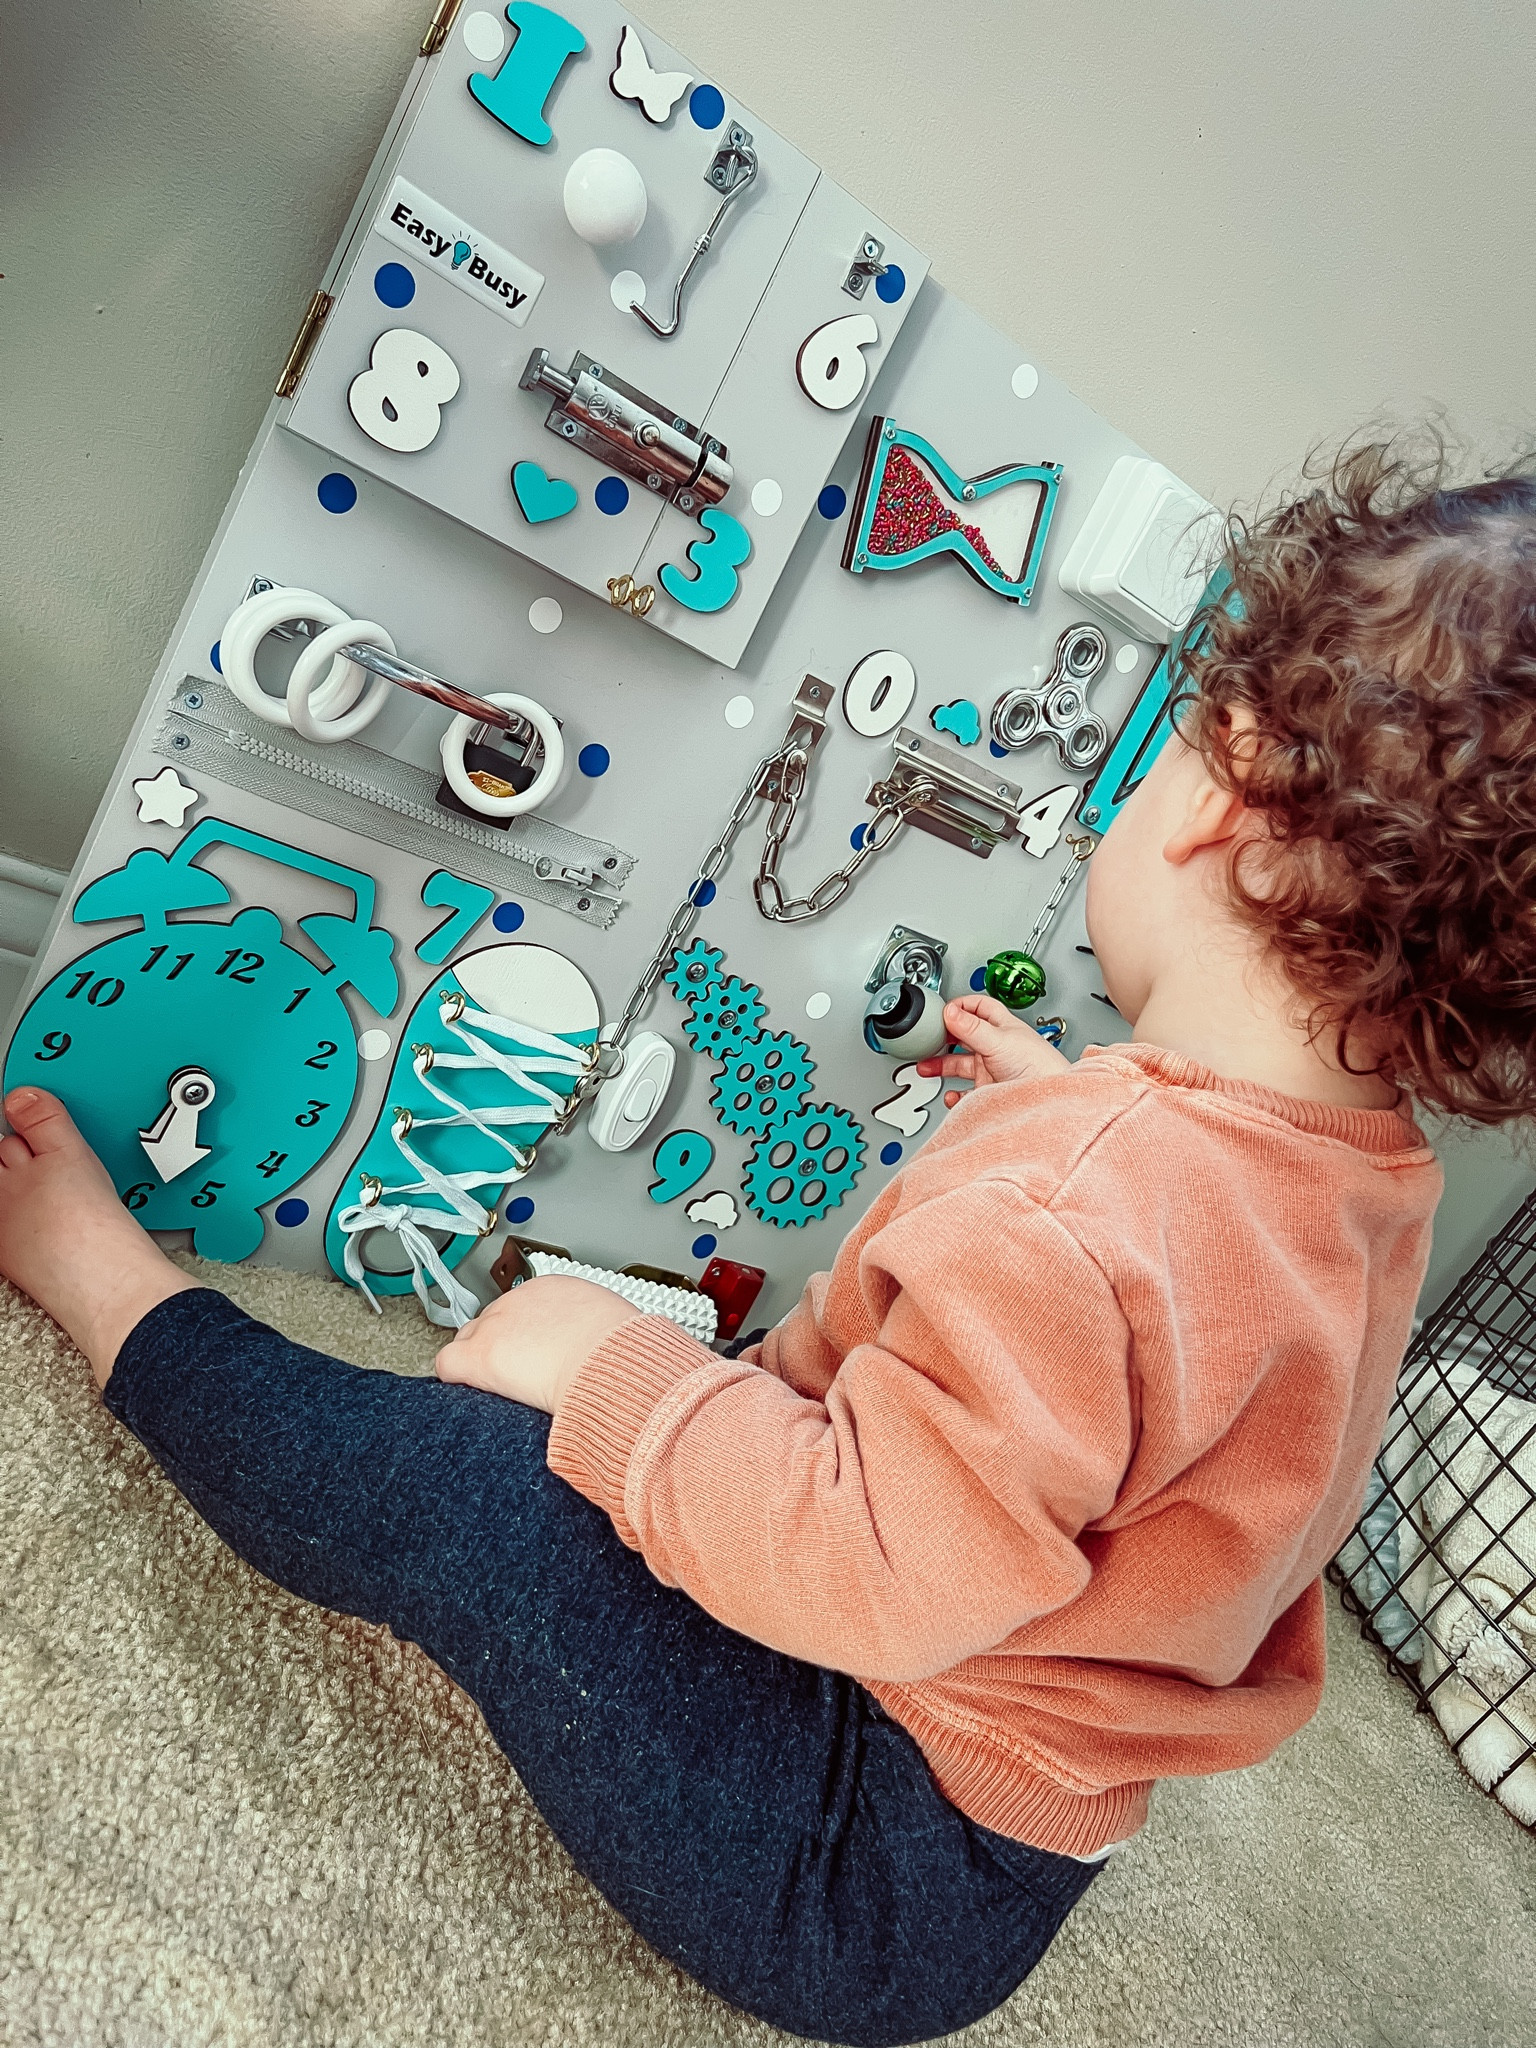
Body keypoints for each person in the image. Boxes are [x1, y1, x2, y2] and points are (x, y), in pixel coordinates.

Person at [2, 440, 1532, 2048]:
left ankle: (110, 1289)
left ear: (1224, 788)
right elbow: (1192, 1342)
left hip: (858, 1854)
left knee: (483, 1491)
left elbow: (881, 1568)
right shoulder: (1362, 1189)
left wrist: (610, 1368)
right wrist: (1065, 1129)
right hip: (993, 1860)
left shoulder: (1085, 1209)